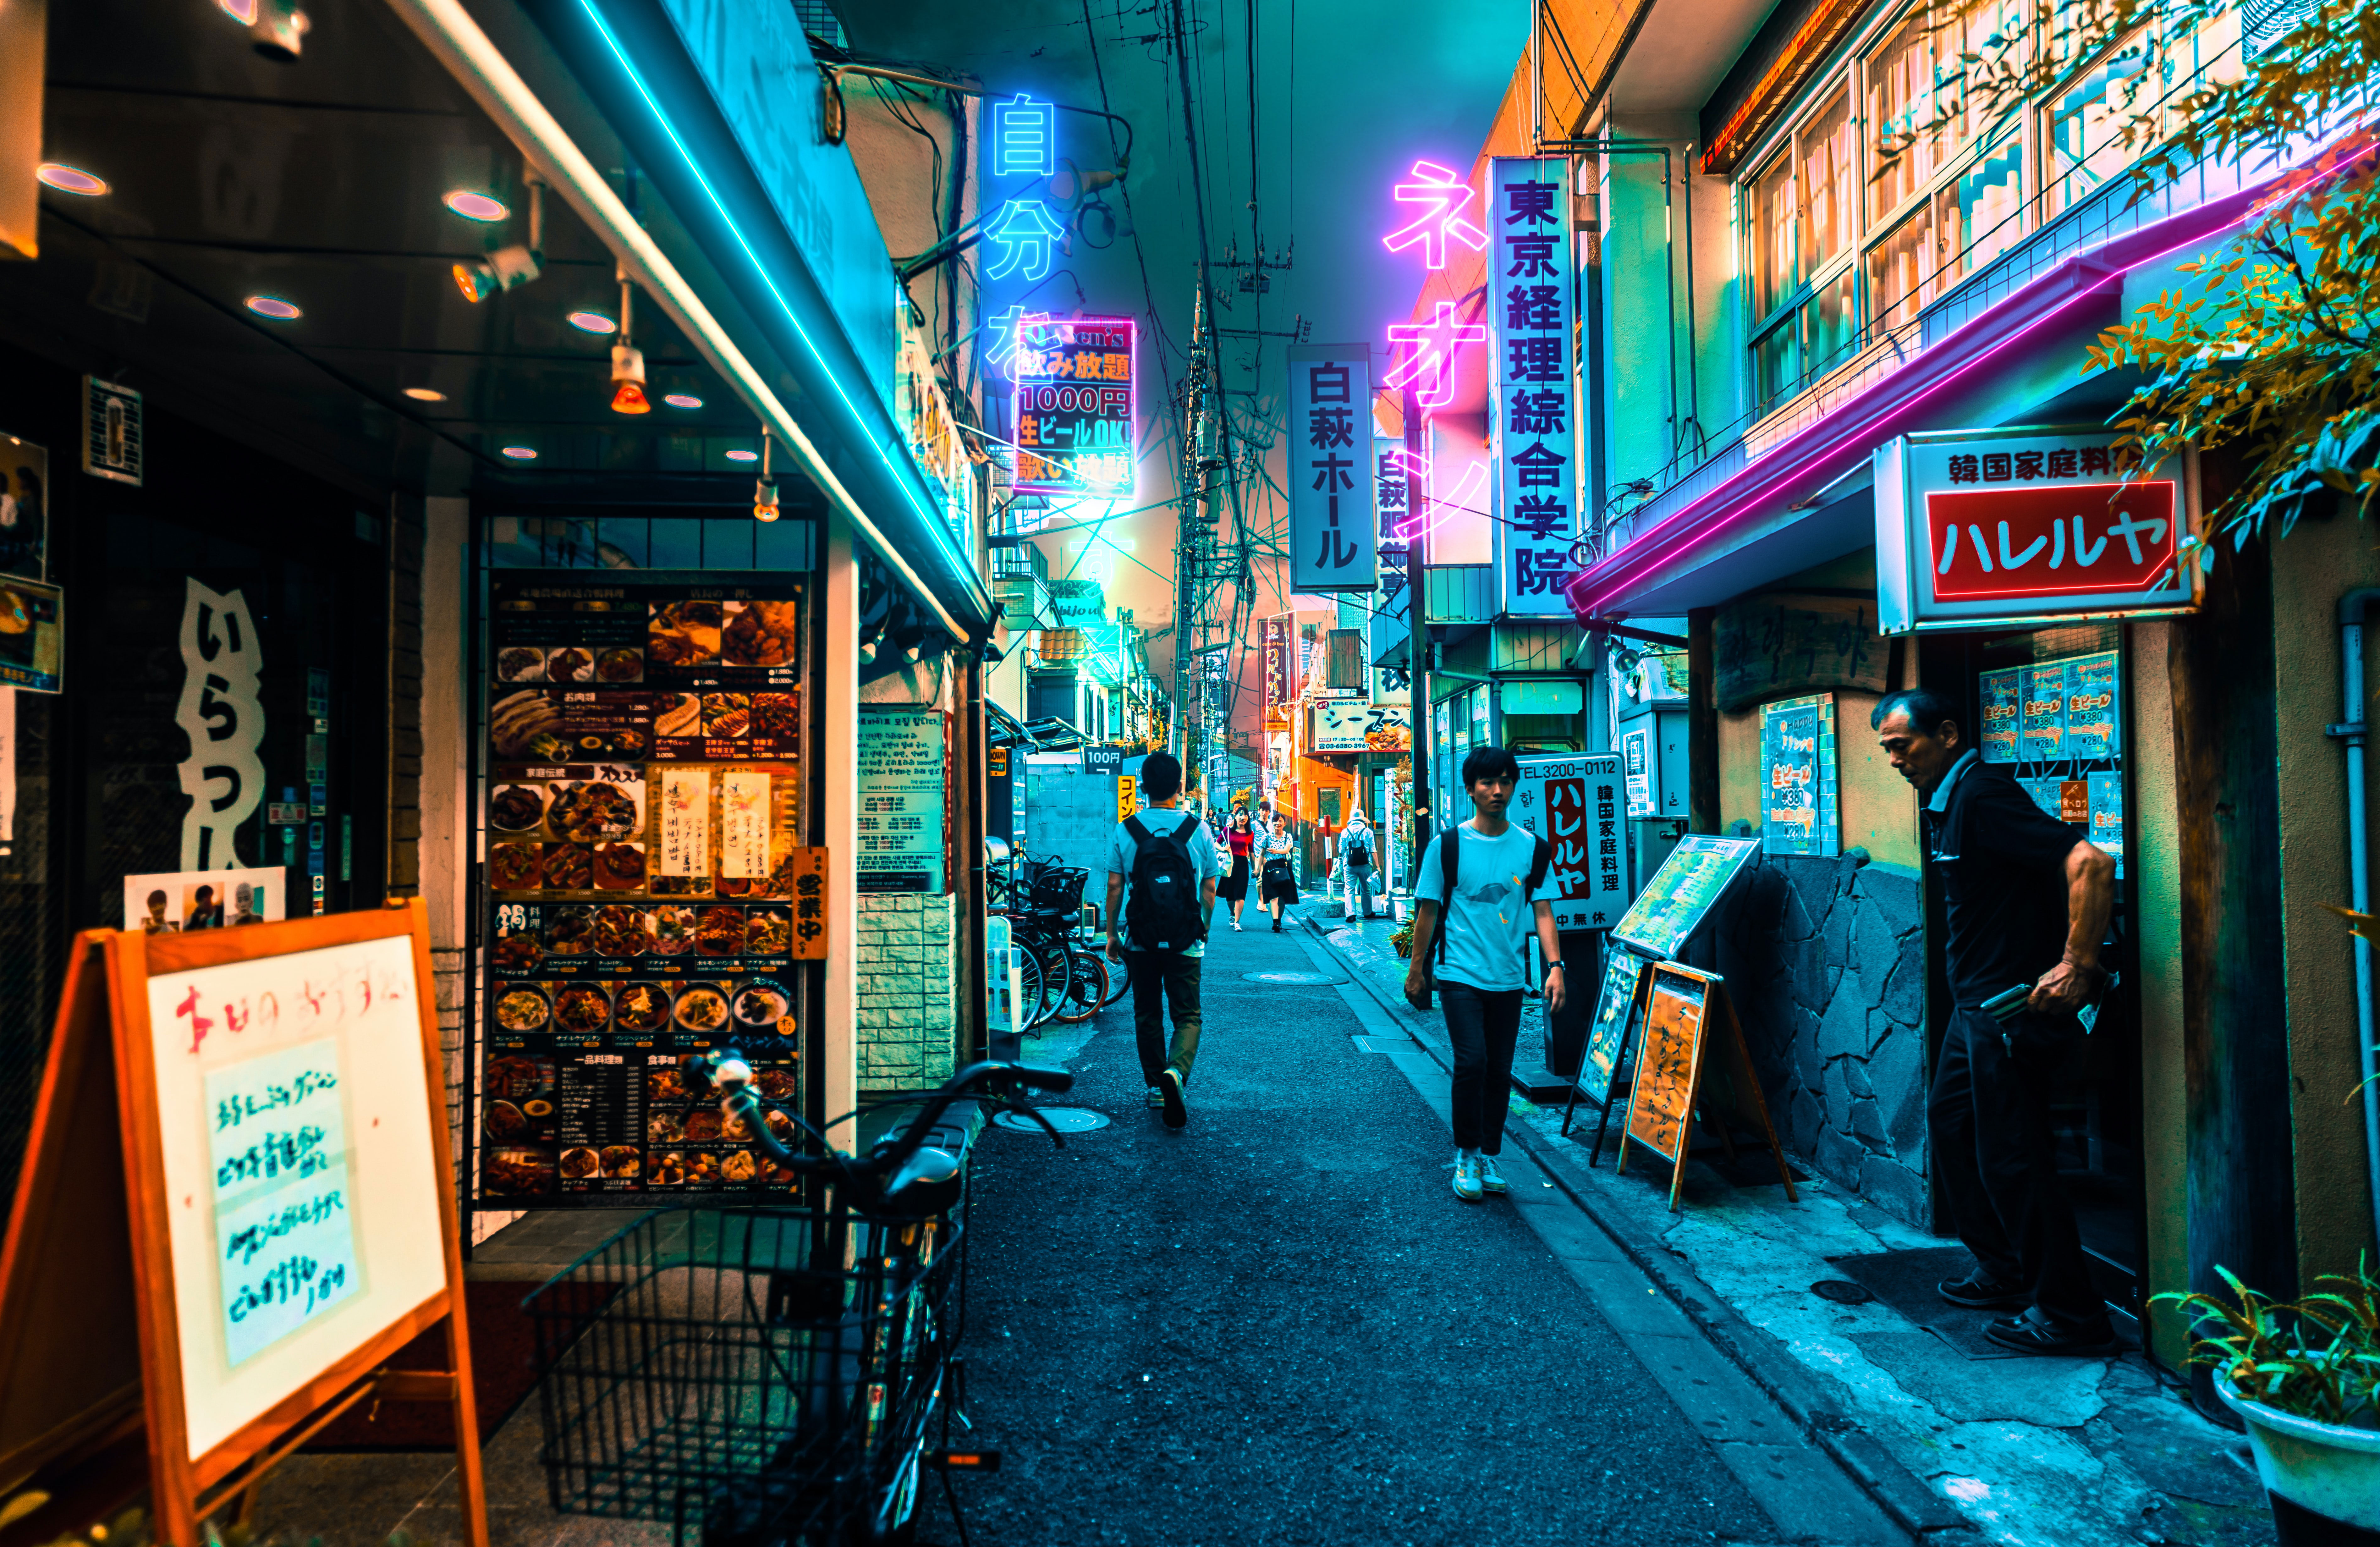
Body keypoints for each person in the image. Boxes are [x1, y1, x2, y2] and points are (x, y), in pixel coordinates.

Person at [1875, 687, 2119, 1356]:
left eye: (1904, 745)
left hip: (2009, 1009)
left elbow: (2092, 862)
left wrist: (2076, 961)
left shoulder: (1983, 795)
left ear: (1948, 733)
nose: (1895, 760)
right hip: (1973, 1009)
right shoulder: (1949, 802)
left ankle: (2069, 1314)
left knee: (2013, 1156)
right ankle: (2006, 1269)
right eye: (1888, 750)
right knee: (1951, 1127)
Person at [1402, 745, 1566, 1203]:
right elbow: (1428, 912)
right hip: (1459, 974)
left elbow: (1544, 911)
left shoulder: (1532, 848)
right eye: (1488, 782)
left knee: (1498, 1069)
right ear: (1470, 789)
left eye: (1506, 781)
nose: (1498, 790)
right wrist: (1418, 971)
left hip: (1510, 978)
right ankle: (1467, 1153)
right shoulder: (1448, 846)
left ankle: (1489, 1152)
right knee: (1471, 1060)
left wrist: (1555, 968)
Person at [1104, 752, 1219, 1129]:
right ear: (1179, 786)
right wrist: (1202, 927)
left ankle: (1157, 1084)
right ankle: (1177, 1071)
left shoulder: (1128, 829)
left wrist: (1111, 935)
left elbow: (1116, 885)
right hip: (1186, 940)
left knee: (1147, 1012)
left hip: (1142, 939)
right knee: (1188, 1014)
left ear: (1143, 785)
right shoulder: (1198, 829)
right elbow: (1209, 888)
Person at [1257, 812, 1299, 932]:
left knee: (1282, 898)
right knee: (1274, 897)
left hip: (1284, 867)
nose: (1278, 824)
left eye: (1281, 821)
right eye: (1276, 821)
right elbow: (1262, 854)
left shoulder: (1288, 836)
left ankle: (1279, 921)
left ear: (1285, 824)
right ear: (1272, 823)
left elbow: (1287, 850)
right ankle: (1275, 922)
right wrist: (1258, 869)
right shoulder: (1268, 837)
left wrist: (1276, 851)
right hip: (1271, 868)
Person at [1339, 806, 1380, 922]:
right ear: (1363, 821)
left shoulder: (1345, 832)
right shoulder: (1368, 832)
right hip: (1365, 865)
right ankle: (1367, 913)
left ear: (1352, 820)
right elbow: (1373, 850)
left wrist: (1344, 861)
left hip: (1349, 865)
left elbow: (1341, 850)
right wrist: (1377, 866)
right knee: (1366, 889)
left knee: (1349, 889)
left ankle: (1351, 914)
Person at [1217, 806, 1255, 930]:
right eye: (1240, 815)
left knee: (1240, 894)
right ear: (1236, 816)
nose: (1243, 817)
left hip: (1243, 864)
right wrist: (1223, 849)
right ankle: (1233, 913)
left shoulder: (1250, 834)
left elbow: (1252, 852)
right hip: (1229, 864)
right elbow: (1216, 844)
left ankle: (1237, 922)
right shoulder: (1228, 831)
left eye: (1245, 815)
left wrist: (1255, 869)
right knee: (1230, 897)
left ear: (1248, 818)